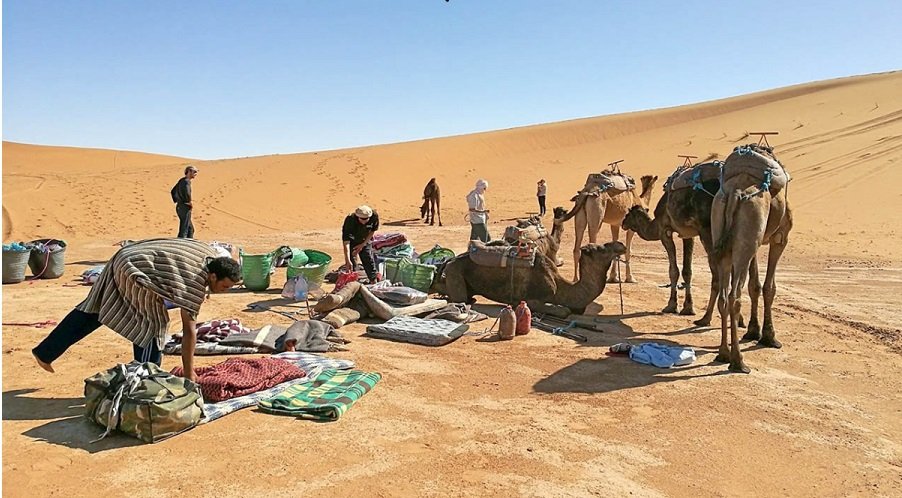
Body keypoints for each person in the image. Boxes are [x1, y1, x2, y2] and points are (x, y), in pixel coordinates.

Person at [32, 238, 241, 381]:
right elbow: (189, 332)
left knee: (97, 309)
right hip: (133, 267)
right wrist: (189, 373)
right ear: (213, 276)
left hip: (126, 255)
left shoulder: (209, 255)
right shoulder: (194, 284)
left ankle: (46, 352)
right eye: (224, 286)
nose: (224, 292)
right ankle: (146, 378)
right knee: (152, 323)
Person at [342, 205, 381, 283]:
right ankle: (353, 281)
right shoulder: (350, 220)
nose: (364, 221)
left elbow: (372, 231)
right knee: (352, 263)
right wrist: (347, 259)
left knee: (368, 258)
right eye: (362, 219)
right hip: (352, 240)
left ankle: (373, 280)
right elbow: (346, 242)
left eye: (366, 219)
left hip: (365, 239)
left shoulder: (374, 216)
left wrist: (362, 245)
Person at [171, 165, 198, 238]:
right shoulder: (186, 181)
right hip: (184, 207)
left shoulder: (182, 180)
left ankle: (189, 246)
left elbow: (173, 191)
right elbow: (187, 193)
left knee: (190, 229)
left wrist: (177, 200)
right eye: (194, 172)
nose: (196, 174)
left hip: (180, 207)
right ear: (189, 171)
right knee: (184, 229)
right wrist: (188, 202)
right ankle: (180, 245)